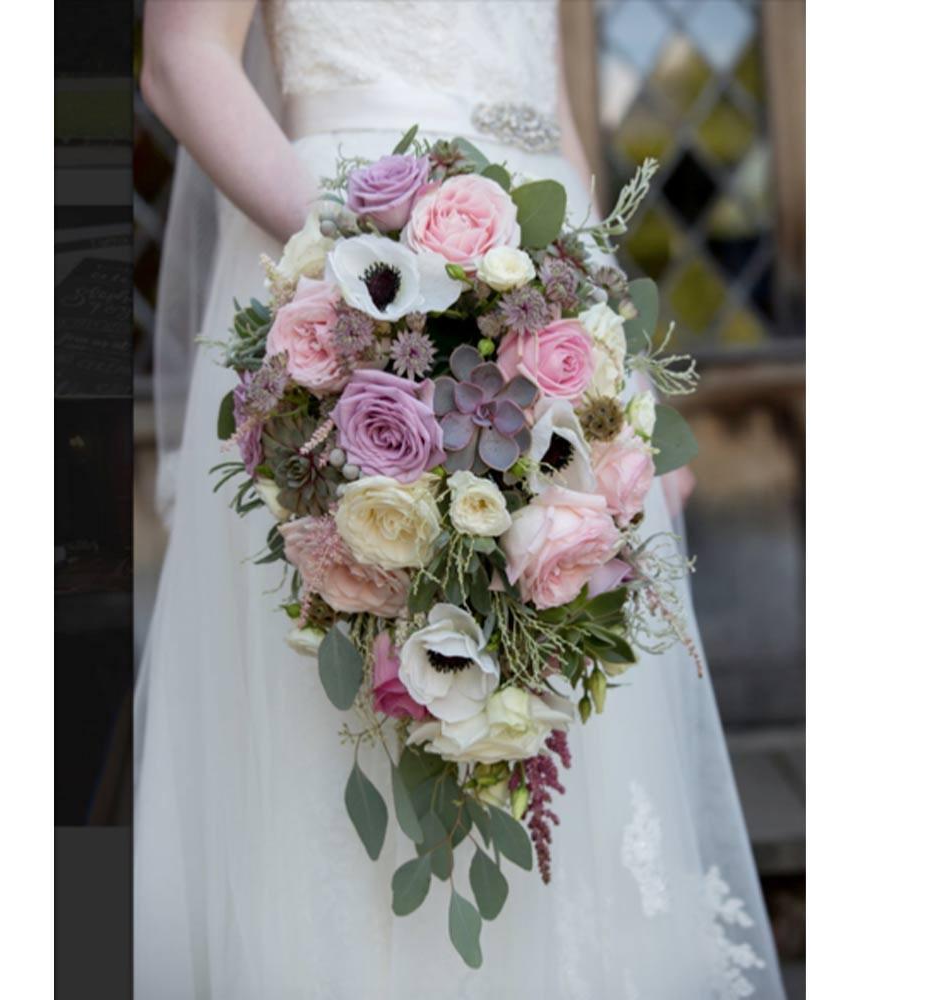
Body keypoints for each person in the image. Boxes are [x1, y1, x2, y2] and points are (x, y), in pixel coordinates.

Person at [135, 2, 785, 997]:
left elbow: (547, 106)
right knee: (354, 700)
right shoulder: (357, 256)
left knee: (556, 701)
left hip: (540, 273)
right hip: (345, 270)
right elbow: (181, 58)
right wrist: (368, 260)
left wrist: (618, 361)